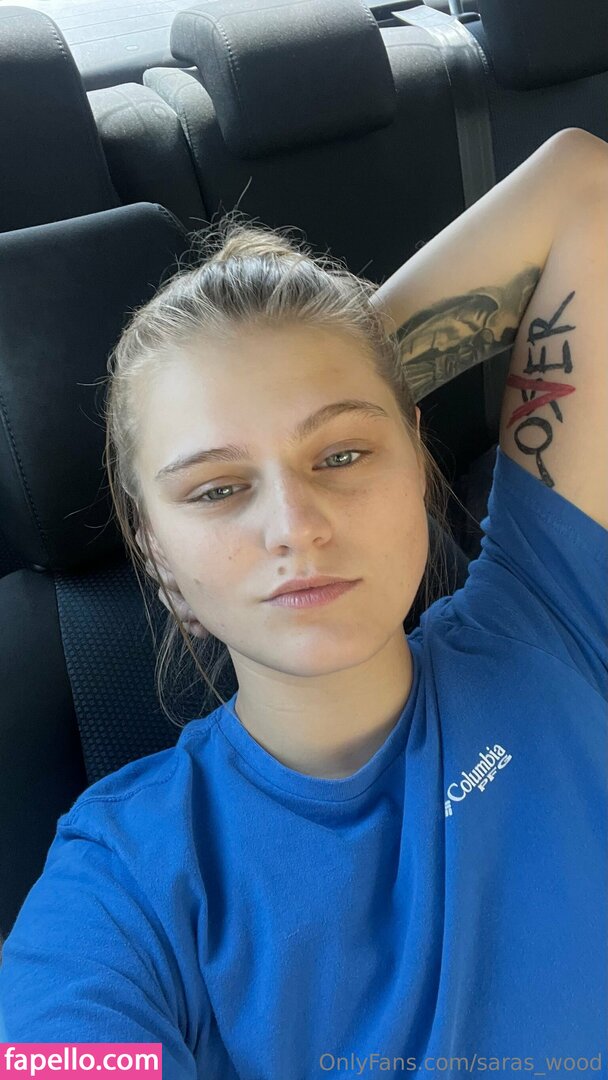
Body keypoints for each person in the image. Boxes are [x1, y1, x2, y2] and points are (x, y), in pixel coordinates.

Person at [0, 129, 606, 1078]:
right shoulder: (121, 881)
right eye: (216, 489)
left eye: (343, 455)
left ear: (416, 461)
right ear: (156, 557)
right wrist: (325, 387)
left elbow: (584, 188)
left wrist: (331, 348)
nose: (296, 526)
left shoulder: (549, 618)